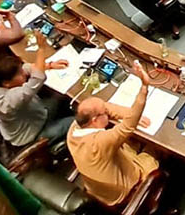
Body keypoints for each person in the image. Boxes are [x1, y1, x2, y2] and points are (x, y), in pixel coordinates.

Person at [68, 60, 160, 207]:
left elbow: (107, 108)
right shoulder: (99, 142)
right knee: (156, 147)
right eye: (104, 113)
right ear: (95, 120)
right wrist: (144, 88)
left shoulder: (74, 128)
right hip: (125, 190)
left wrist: (129, 113)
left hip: (101, 187)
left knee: (132, 142)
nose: (107, 112)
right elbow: (127, 127)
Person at [0, 52, 74, 147]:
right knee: (76, 121)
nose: (24, 73)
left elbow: (26, 68)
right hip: (31, 135)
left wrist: (49, 65)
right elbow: (38, 78)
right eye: (20, 73)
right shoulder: (8, 102)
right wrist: (41, 49)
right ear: (6, 83)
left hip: (38, 113)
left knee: (61, 97)